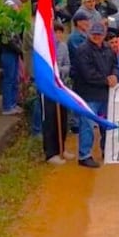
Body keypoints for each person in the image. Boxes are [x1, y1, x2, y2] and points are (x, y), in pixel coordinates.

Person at [73, 22, 117, 168]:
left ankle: (107, 150)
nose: (97, 37)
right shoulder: (82, 50)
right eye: (94, 34)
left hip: (104, 94)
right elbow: (87, 74)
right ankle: (84, 155)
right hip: (88, 94)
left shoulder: (108, 49)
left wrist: (114, 76)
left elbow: (114, 65)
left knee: (105, 125)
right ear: (89, 34)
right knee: (88, 126)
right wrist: (106, 80)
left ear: (104, 35)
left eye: (100, 34)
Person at [42, 22, 75, 165]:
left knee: (62, 117)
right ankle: (51, 153)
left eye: (61, 32)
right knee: (50, 119)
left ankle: (62, 148)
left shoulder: (63, 46)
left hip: (62, 86)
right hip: (48, 89)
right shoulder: (43, 49)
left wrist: (61, 71)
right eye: (56, 32)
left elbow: (67, 64)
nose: (59, 35)